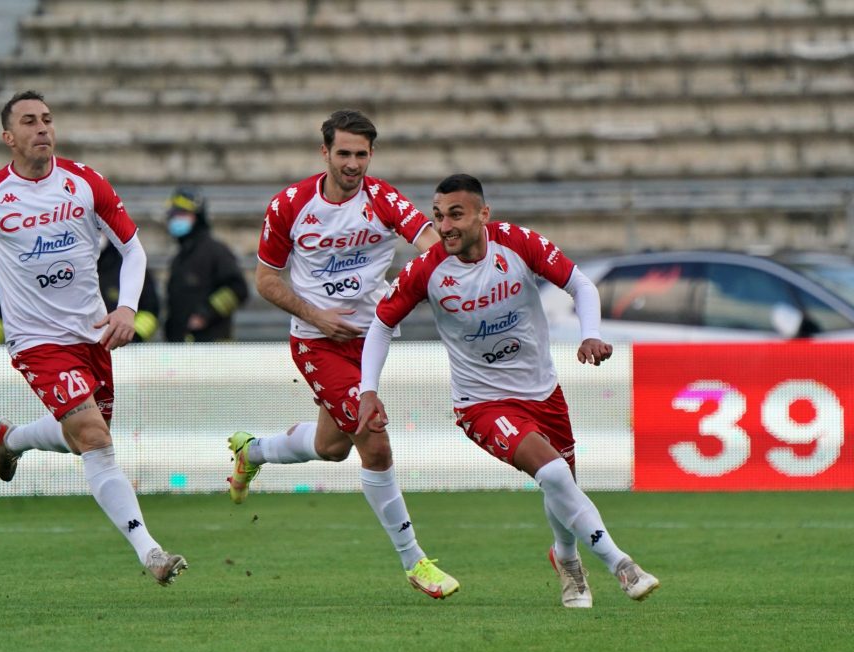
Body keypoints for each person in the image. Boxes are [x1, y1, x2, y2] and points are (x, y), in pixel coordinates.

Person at [357, 173, 660, 608]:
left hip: (543, 392)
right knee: (554, 474)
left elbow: (580, 285)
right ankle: (622, 565)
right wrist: (368, 390)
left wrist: (590, 333)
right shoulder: (427, 269)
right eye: (438, 217)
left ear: (484, 214)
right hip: (482, 403)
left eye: (456, 215)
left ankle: (567, 559)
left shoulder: (517, 243)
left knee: (562, 484)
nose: (444, 227)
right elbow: (382, 324)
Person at [0, 90, 186, 586]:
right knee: (95, 439)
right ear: (8, 137)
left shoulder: (85, 182)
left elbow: (133, 249)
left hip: (91, 334)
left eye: (47, 118)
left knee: (80, 439)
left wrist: (127, 308)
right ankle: (151, 553)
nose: (42, 127)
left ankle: (13, 439)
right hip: (35, 340)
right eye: (29, 121)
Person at [227, 110, 459, 599]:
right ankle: (416, 562)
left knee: (332, 447)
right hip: (316, 341)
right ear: (325, 153)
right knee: (374, 440)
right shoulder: (290, 205)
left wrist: (416, 281)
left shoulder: (383, 199)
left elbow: (430, 244)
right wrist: (317, 316)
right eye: (344, 153)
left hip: (370, 340)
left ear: (371, 155)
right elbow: (266, 280)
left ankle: (253, 451)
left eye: (361, 154)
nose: (353, 164)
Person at [163, 186, 249, 342]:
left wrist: (206, 313)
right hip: (183, 347)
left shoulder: (215, 251)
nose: (176, 219)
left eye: (182, 214)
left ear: (197, 217)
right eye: (174, 215)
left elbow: (237, 289)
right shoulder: (179, 258)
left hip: (213, 347)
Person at [98, 233, 160, 342]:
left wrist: (132, 336)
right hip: (82, 346)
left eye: (100, 229)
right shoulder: (74, 271)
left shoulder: (131, 268)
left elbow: (149, 311)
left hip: (126, 347)